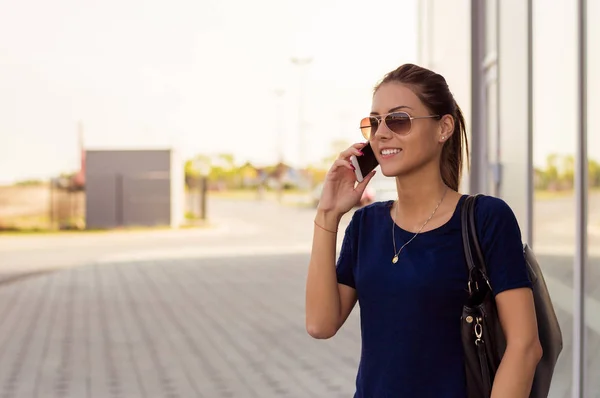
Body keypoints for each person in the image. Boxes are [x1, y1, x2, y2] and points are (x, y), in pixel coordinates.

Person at [305, 64, 542, 397]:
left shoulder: (486, 218)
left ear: (444, 127)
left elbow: (525, 346)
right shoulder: (365, 225)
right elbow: (320, 324)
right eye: (373, 123)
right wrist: (328, 215)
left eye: (398, 120)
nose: (382, 133)